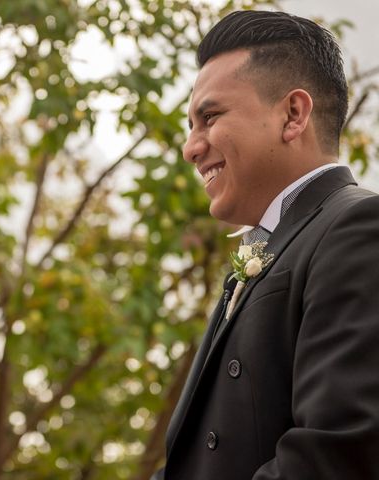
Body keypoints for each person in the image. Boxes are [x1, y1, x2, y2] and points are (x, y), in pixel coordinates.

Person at [158, 10, 379, 480]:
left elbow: (338, 455)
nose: (191, 147)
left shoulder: (357, 226)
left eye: (210, 117)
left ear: (293, 115)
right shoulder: (276, 242)